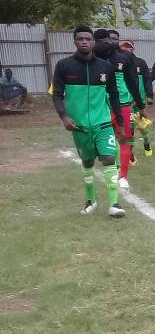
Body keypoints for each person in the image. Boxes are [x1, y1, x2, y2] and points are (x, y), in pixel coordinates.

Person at [52, 26, 126, 218]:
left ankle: (114, 204)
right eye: (80, 39)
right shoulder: (63, 66)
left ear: (94, 42)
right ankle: (91, 200)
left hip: (103, 123)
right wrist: (64, 116)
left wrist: (119, 119)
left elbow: (114, 94)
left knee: (109, 158)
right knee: (87, 161)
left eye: (88, 39)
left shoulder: (105, 66)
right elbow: (57, 95)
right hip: (80, 126)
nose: (84, 42)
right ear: (75, 41)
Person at [94, 29, 146, 188]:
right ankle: (114, 167)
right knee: (104, 140)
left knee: (125, 139)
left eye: (113, 39)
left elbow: (132, 83)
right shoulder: (93, 58)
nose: (110, 42)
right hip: (101, 105)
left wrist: (140, 105)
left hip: (123, 104)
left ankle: (123, 176)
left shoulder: (125, 57)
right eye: (107, 40)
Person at [120, 40, 155, 159]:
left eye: (129, 47)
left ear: (133, 48)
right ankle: (130, 155)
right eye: (124, 47)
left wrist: (149, 95)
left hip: (139, 102)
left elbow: (147, 79)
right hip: (126, 102)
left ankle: (147, 143)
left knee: (143, 128)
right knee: (129, 129)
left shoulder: (140, 62)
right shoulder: (118, 64)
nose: (127, 49)